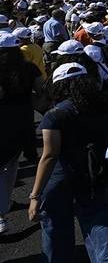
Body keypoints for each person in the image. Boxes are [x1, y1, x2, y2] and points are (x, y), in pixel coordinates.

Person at [28, 62, 108, 263]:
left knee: (56, 230)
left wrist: (35, 195)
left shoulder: (56, 115)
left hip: (61, 176)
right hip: (95, 172)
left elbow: (49, 155)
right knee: (99, 227)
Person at [1, 33, 41, 235]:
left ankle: (1, 212)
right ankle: (3, 208)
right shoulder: (29, 68)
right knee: (10, 167)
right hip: (23, 122)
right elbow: (40, 90)